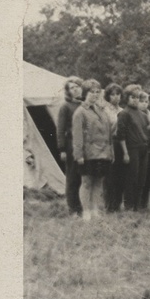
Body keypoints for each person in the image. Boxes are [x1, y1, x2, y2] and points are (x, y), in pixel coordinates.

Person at [71, 79, 112, 221]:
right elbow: (77, 136)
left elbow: (108, 132)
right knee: (87, 182)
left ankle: (95, 209)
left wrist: (109, 152)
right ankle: (86, 212)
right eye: (91, 92)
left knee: (98, 182)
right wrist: (79, 155)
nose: (94, 95)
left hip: (102, 152)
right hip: (88, 153)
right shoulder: (80, 112)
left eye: (97, 92)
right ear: (85, 93)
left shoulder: (101, 110)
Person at [116, 85, 150, 211]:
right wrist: (125, 153)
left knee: (142, 178)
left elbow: (147, 132)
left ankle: (138, 205)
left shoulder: (143, 115)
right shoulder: (124, 114)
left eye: (137, 97)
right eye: (132, 97)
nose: (135, 100)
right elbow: (121, 135)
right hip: (131, 149)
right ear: (127, 98)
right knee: (132, 178)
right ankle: (129, 206)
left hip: (143, 149)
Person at [57, 75, 84, 215]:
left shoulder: (84, 105)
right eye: (71, 88)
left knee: (83, 177)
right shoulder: (65, 107)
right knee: (72, 177)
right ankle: (73, 208)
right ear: (68, 91)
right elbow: (60, 129)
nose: (75, 90)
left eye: (77, 87)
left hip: (84, 145)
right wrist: (62, 148)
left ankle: (82, 205)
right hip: (71, 144)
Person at [102, 83, 125, 212]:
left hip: (121, 144)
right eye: (113, 94)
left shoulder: (122, 111)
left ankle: (118, 203)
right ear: (108, 96)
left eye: (118, 94)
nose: (116, 97)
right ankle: (109, 205)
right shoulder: (105, 111)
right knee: (109, 176)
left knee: (120, 175)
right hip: (109, 142)